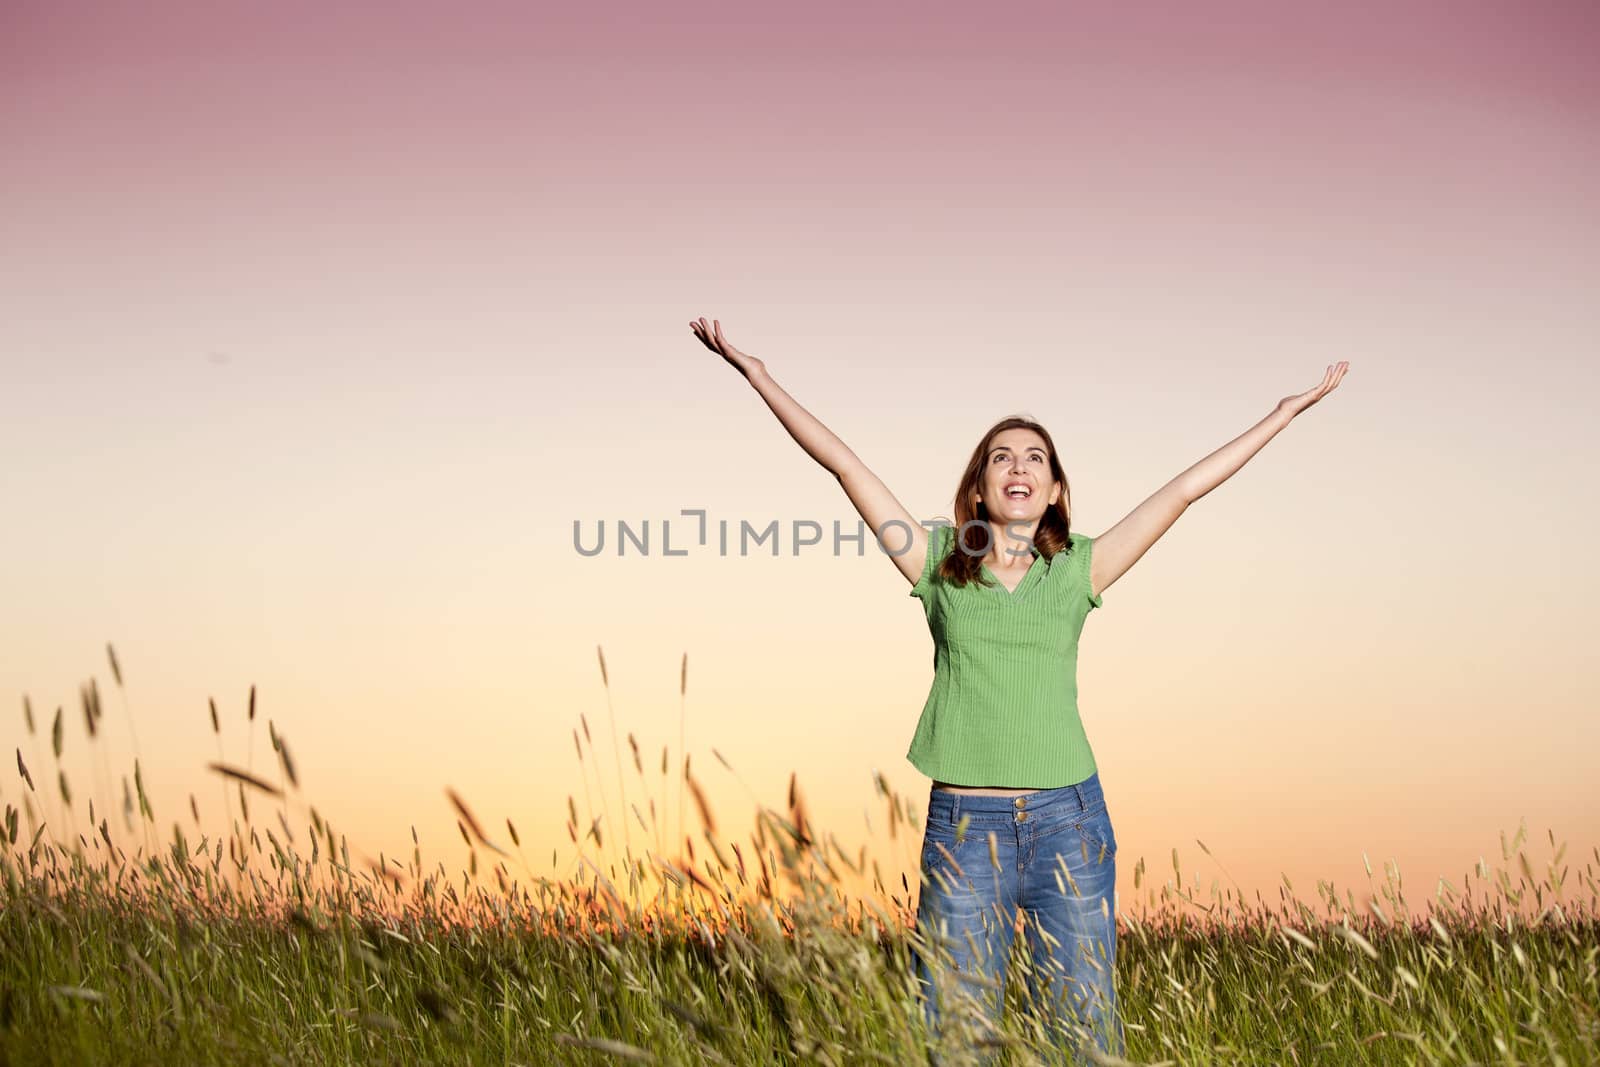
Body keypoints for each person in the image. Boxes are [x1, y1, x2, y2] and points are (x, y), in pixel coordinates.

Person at [689, 316, 1348, 1064]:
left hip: (1070, 821)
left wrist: (1284, 413)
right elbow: (844, 464)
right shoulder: (936, 560)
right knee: (953, 1037)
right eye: (1000, 456)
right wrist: (758, 373)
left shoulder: (1079, 570)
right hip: (965, 833)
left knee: (1082, 1037)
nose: (1018, 464)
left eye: (1035, 456)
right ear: (979, 486)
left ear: (1056, 488)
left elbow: (1185, 490)